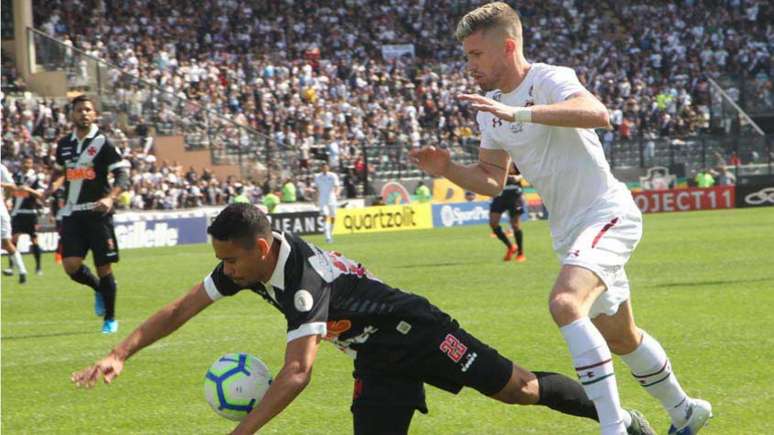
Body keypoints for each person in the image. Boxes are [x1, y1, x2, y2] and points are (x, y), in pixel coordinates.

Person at [71, 204, 655, 435]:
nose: (222, 270)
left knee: (521, 390)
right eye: (219, 260)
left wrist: (239, 433)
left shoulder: (302, 280)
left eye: (230, 258)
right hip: (375, 354)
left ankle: (619, 418)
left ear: (263, 246)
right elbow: (180, 308)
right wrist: (121, 352)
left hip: (419, 331)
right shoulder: (247, 267)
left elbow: (297, 373)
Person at [409, 4, 710, 435]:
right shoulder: (489, 107)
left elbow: (597, 113)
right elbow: (493, 180)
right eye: (467, 55)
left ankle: (613, 428)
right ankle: (685, 410)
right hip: (570, 230)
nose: (468, 64)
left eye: (476, 54)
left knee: (565, 304)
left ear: (508, 47)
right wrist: (448, 170)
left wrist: (522, 113)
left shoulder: (548, 78)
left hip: (607, 213)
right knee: (620, 336)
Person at [47, 95, 130, 334]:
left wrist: (110, 197)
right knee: (71, 265)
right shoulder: (64, 144)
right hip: (73, 213)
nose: (84, 113)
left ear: (94, 115)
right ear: (72, 114)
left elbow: (122, 174)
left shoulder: (103, 142)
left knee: (104, 267)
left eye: (88, 110)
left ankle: (111, 319)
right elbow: (60, 171)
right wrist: (51, 186)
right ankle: (98, 290)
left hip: (98, 214)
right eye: (79, 110)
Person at [9, 157, 45, 275]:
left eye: (28, 162)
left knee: (34, 239)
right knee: (13, 239)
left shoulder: (36, 177)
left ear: (32, 164)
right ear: (21, 163)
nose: (26, 164)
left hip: (30, 213)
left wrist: (28, 189)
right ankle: (11, 267)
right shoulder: (15, 176)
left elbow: (40, 194)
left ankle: (38, 267)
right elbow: (10, 191)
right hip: (17, 212)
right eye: (24, 162)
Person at [489, 164, 525, 262]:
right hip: (500, 194)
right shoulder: (495, 159)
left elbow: (526, 171)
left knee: (515, 225)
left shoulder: (515, 158)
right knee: (493, 223)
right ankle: (511, 247)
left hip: (514, 194)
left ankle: (520, 253)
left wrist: (518, 177)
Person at [1, 163, 29, 284]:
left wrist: (6, 199)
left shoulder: (1, 168)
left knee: (7, 243)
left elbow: (12, 187)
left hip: (1, 213)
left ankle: (22, 271)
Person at [313, 163, 340, 243]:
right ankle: (327, 237)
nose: (324, 169)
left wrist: (337, 194)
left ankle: (330, 234)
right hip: (322, 200)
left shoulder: (333, 176)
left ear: (328, 168)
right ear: (321, 168)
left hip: (332, 199)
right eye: (323, 167)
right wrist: (316, 199)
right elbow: (317, 189)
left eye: (326, 167)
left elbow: (337, 186)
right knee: (325, 216)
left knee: (333, 217)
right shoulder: (317, 177)